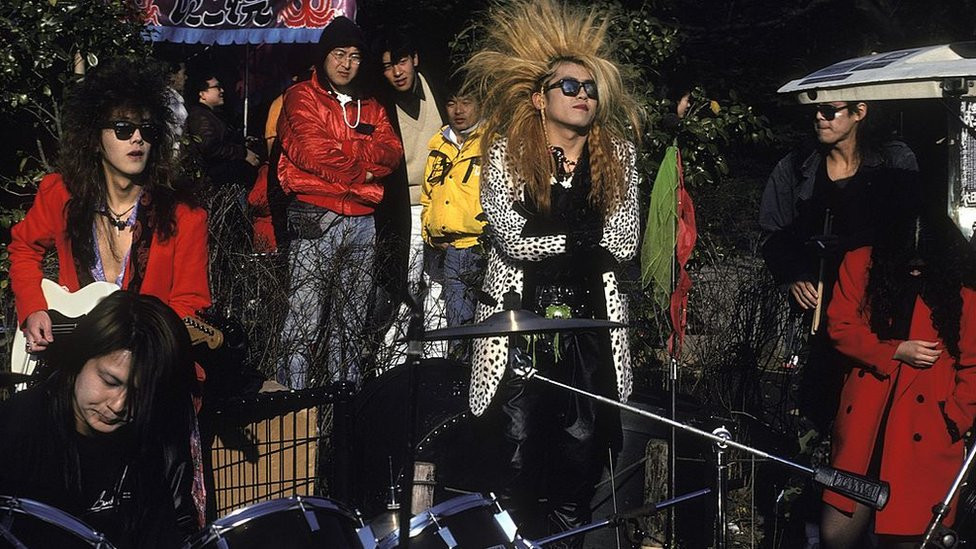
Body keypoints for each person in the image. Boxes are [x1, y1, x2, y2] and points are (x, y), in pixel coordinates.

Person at [463, 0, 642, 542]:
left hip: (590, 330)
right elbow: (512, 239)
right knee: (514, 459)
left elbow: (624, 243)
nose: (583, 95)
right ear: (541, 98)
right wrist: (580, 239)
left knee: (579, 463)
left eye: (590, 88)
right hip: (516, 326)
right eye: (569, 86)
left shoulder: (619, 155)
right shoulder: (505, 153)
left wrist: (556, 237)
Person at [9, 56, 212, 354]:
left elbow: (190, 303)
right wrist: (33, 309)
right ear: (94, 139)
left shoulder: (183, 215)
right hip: (73, 358)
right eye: (122, 128)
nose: (138, 138)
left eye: (148, 130)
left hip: (147, 363)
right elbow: (24, 248)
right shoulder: (60, 193)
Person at [821, 204, 976, 548]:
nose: (916, 272)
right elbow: (841, 326)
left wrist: (953, 419)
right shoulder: (862, 264)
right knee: (836, 533)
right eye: (909, 264)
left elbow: (974, 365)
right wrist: (894, 351)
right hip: (865, 420)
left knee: (907, 534)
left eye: (923, 265)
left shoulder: (962, 289)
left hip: (925, 429)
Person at [0, 291, 200, 548]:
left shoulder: (144, 444)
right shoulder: (18, 425)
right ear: (79, 358)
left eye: (140, 394)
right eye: (109, 381)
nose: (119, 406)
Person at [275, 16, 403, 387]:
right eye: (339, 54)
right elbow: (313, 152)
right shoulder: (301, 96)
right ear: (324, 56)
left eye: (355, 56)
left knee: (351, 320)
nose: (346, 63)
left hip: (363, 220)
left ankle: (343, 405)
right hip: (314, 214)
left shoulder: (371, 104)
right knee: (304, 318)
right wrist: (365, 170)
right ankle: (293, 401)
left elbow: (392, 153)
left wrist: (347, 153)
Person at [372, 30, 447, 360]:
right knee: (405, 288)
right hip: (407, 209)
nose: (397, 72)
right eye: (388, 66)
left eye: (401, 62)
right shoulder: (381, 103)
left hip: (443, 205)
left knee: (440, 288)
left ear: (414, 59)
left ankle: (437, 360)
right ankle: (393, 364)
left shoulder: (438, 88)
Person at [420, 82, 485, 354]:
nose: (458, 110)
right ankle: (458, 376)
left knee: (488, 331)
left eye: (466, 102)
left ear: (480, 104)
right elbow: (427, 196)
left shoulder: (493, 143)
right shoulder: (438, 146)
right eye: (451, 103)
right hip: (450, 253)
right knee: (457, 331)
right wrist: (429, 232)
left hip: (483, 252)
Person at [185, 68, 260, 187]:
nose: (222, 90)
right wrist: (243, 153)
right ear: (202, 94)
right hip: (215, 181)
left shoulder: (210, 115)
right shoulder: (200, 117)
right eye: (217, 87)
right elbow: (210, 147)